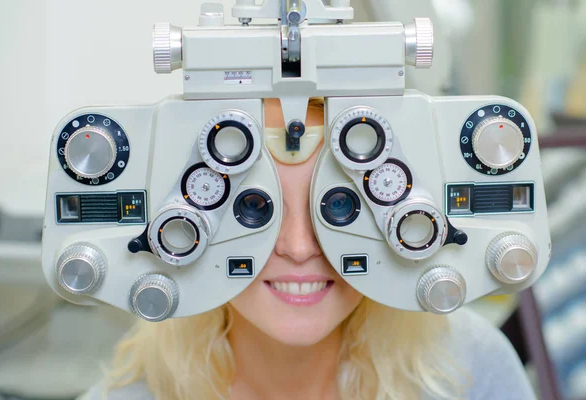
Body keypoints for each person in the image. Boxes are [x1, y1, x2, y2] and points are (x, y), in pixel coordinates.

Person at [79, 98, 536, 400]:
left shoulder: (469, 367)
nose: (299, 248)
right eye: (257, 207)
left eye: (341, 205)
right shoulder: (132, 392)